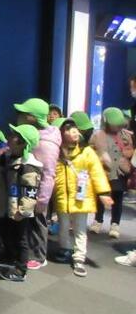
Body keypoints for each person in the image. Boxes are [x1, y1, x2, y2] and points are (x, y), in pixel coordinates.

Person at [52, 119, 112, 277]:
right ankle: (65, 249)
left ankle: (79, 257)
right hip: (63, 198)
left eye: (74, 128)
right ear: (60, 134)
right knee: (63, 226)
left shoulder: (87, 152)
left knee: (80, 229)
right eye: (67, 129)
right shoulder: (56, 153)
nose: (73, 131)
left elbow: (97, 172)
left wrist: (104, 193)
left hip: (81, 198)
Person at [14, 98, 61, 270]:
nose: (20, 116)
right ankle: (26, 252)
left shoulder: (47, 144)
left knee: (38, 222)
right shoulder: (35, 134)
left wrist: (42, 200)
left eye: (24, 113)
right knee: (27, 221)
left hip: (38, 190)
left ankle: (39, 256)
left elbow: (49, 174)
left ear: (33, 117)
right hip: (28, 184)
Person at [0, 124, 42, 282]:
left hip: (19, 210)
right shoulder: (11, 158)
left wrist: (23, 210)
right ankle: (9, 256)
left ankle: (21, 269)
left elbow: (30, 191)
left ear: (22, 142)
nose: (9, 137)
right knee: (8, 233)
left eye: (14, 136)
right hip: (9, 205)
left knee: (21, 239)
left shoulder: (28, 166)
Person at [89, 107, 133, 238]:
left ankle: (115, 224)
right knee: (101, 197)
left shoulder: (126, 135)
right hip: (103, 172)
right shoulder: (98, 135)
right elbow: (91, 151)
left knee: (117, 198)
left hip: (120, 172)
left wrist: (123, 156)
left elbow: (130, 151)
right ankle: (98, 220)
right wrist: (100, 157)